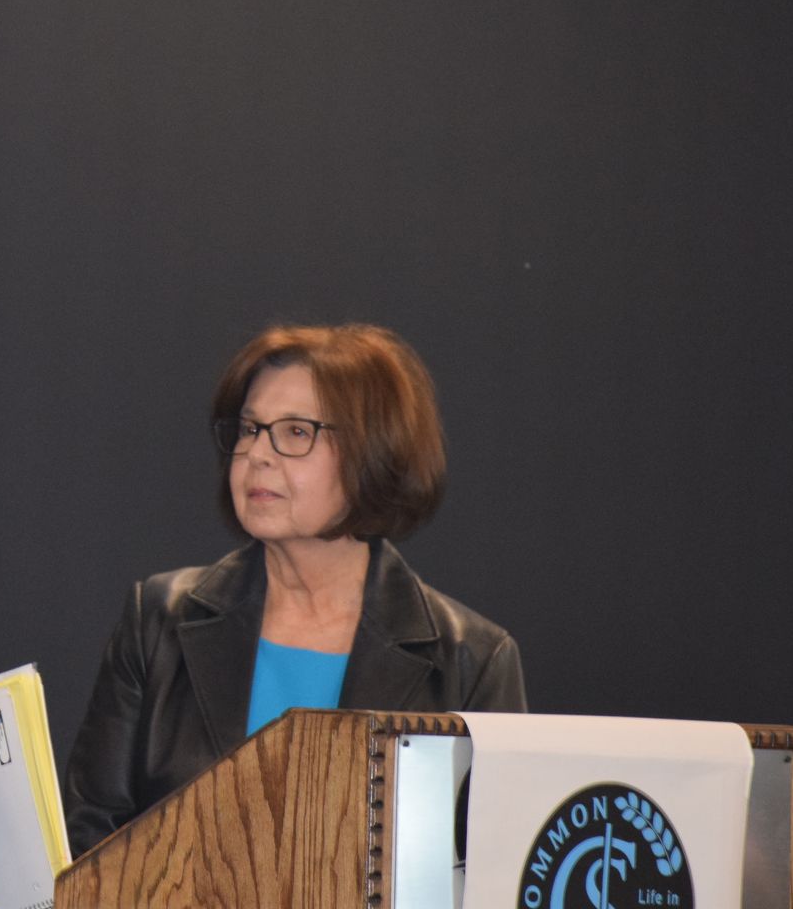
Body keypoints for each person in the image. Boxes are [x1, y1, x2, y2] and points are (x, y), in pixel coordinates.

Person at [63, 323, 525, 856]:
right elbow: (89, 841)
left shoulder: (471, 660)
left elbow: (488, 871)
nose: (258, 454)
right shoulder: (159, 620)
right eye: (249, 429)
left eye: (296, 433)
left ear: (372, 453)